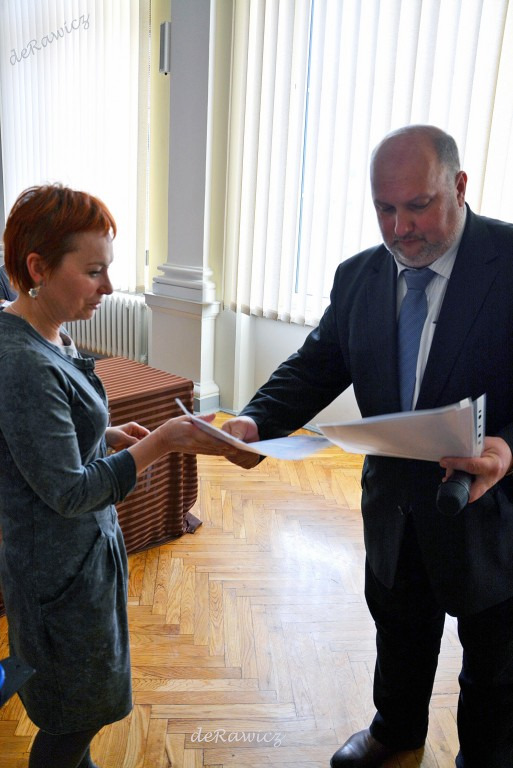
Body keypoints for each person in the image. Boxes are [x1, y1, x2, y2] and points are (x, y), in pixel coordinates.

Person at [221, 125, 513, 768]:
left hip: (492, 510)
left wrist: (507, 448)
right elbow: (316, 365)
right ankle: (396, 731)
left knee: (496, 664)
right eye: (385, 208)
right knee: (399, 626)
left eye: (418, 206)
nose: (400, 228)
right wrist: (254, 421)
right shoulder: (357, 276)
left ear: (460, 187)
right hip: (394, 505)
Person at [0, 184, 237, 768]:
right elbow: (69, 490)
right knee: (73, 714)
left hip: (78, 562)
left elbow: (34, 440)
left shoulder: (47, 330)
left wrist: (102, 434)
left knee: (81, 705)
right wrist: (161, 441)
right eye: (93, 272)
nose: (108, 287)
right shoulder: (23, 362)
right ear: (38, 268)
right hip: (58, 572)